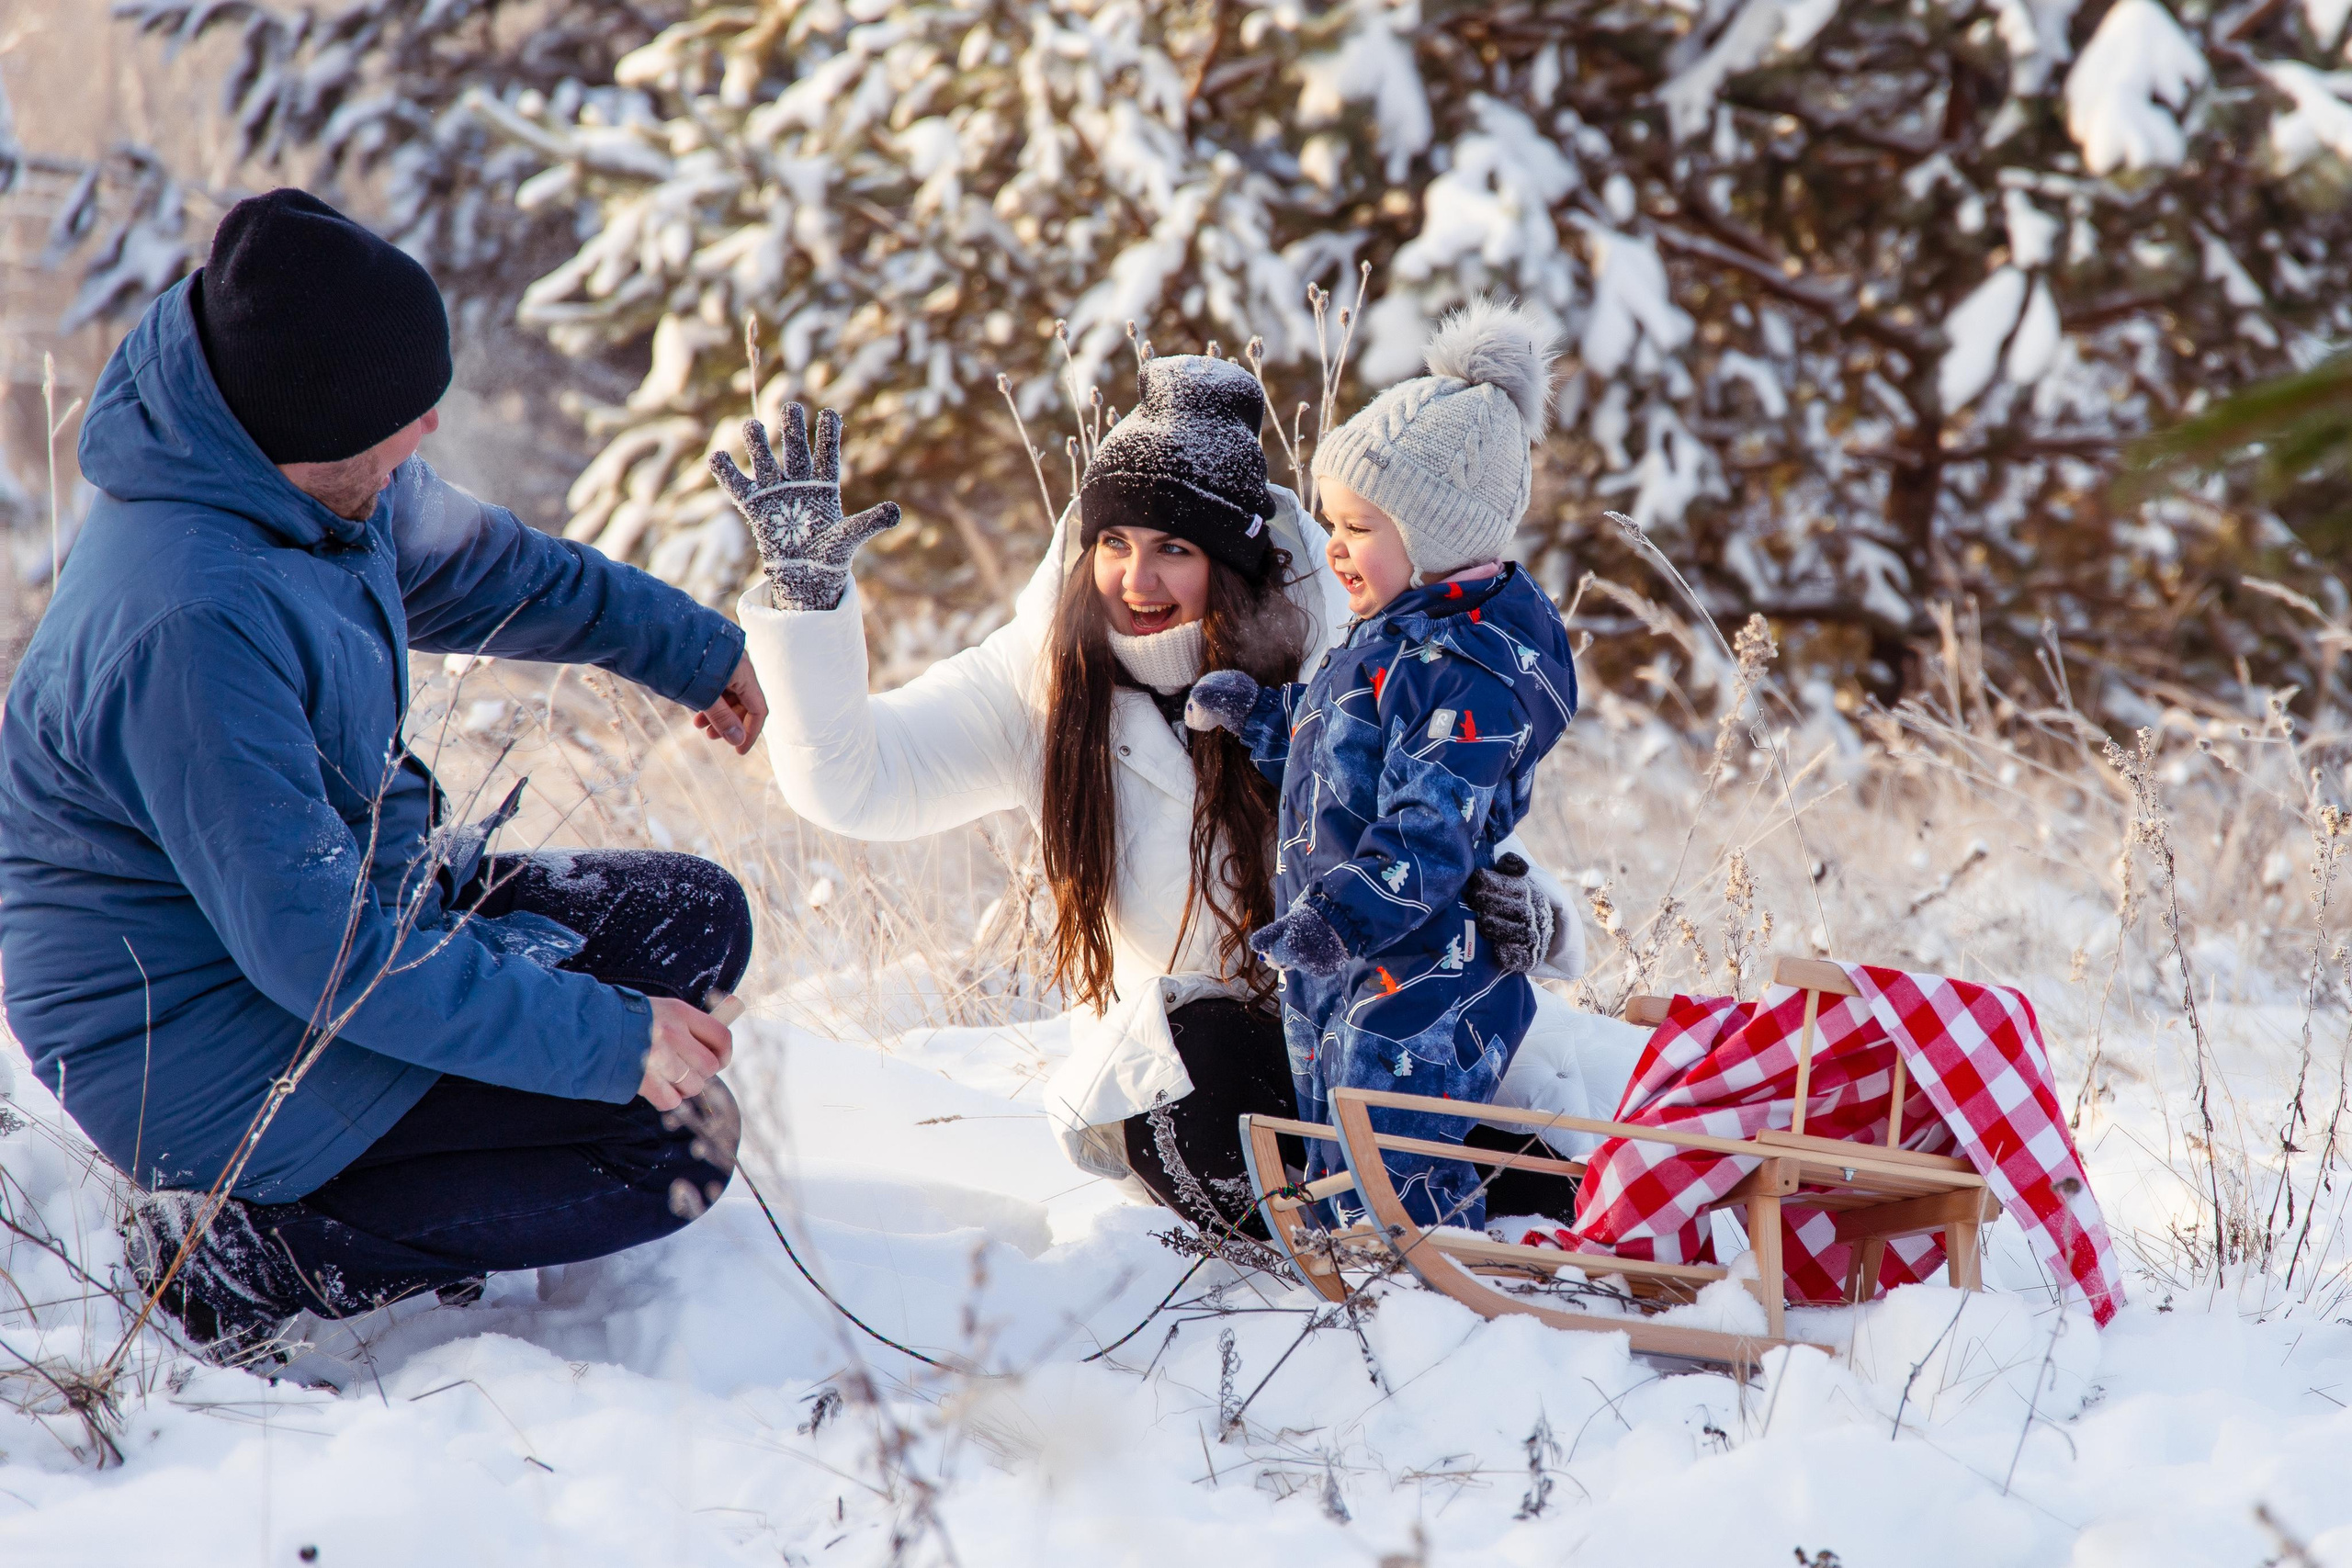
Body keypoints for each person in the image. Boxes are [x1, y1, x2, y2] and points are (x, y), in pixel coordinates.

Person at [0, 189, 764, 1361]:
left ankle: (424, 1176)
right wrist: (611, 1042)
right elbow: (325, 954)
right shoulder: (190, 622)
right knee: (673, 1148)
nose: (429, 431)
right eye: (400, 419)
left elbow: (503, 570)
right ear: (313, 428)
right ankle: (234, 1263)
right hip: (200, 1052)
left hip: (316, 935)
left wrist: (689, 650)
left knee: (693, 920)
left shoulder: (305, 477)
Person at [712, 352, 1586, 1236]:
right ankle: (1345, 1245)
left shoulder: (1342, 637)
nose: (1136, 580)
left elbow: (1442, 811)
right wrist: (806, 603)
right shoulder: (1038, 683)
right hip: (1190, 1075)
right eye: (1115, 544)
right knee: (1197, 1075)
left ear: (1238, 563)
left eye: (1175, 549)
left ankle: (1549, 1218)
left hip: (1359, 1027)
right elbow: (854, 783)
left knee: (1455, 1113)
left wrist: (1533, 910)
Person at [1186, 299, 1577, 1231]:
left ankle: (1423, 1261)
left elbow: (1428, 831)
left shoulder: (1471, 672)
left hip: (1425, 961)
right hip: (1351, 947)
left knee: (1390, 1124)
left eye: (1359, 527)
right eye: (1333, 522)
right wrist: (1265, 721)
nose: (1334, 548)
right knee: (1329, 1111)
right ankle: (1349, 1261)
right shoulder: (1389, 647)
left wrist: (1341, 919)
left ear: (1435, 534)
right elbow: (1344, 763)